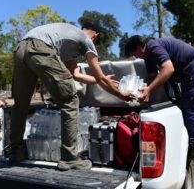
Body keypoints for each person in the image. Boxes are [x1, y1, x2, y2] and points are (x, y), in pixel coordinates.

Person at [10, 22, 134, 170]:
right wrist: (121, 95)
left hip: (21, 49)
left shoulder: (68, 39)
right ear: (95, 35)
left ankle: (15, 152)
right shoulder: (86, 39)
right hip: (40, 49)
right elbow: (100, 77)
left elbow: (76, 74)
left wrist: (99, 79)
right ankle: (69, 157)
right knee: (70, 100)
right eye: (95, 41)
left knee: (21, 104)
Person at [124, 35, 194, 161]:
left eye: (134, 53)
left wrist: (149, 90)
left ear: (139, 47)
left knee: (192, 105)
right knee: (184, 105)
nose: (135, 57)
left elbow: (168, 69)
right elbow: (152, 77)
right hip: (187, 71)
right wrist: (140, 92)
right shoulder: (148, 57)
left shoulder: (153, 46)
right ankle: (193, 140)